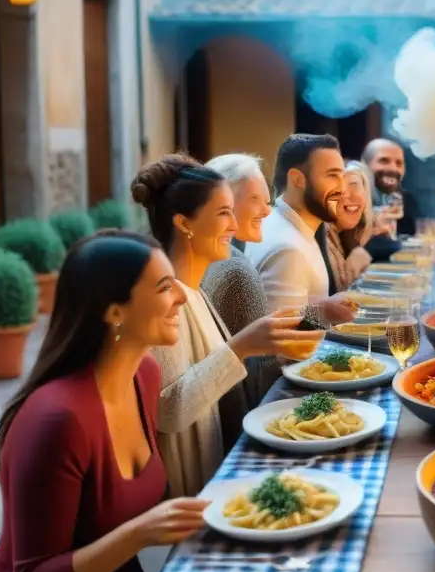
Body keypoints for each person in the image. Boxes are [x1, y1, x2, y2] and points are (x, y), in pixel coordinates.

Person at [0, 232, 210, 572]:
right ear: (114, 312)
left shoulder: (143, 374)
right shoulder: (58, 421)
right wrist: (141, 533)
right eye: (164, 286)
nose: (181, 295)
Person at [132, 153, 326, 496]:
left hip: (214, 471)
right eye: (224, 214)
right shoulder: (163, 297)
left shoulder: (194, 289)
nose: (234, 226)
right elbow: (168, 412)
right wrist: (244, 346)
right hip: (183, 493)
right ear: (184, 223)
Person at [201, 152, 278, 447]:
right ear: (225, 200)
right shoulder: (236, 268)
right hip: (244, 431)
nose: (267, 211)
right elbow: (263, 375)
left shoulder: (218, 257)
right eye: (257, 199)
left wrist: (320, 313)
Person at [245, 134, 359, 320]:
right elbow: (283, 339)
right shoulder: (288, 251)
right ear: (298, 179)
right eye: (332, 176)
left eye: (342, 177)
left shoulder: (289, 224)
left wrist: (326, 309)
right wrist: (326, 315)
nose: (343, 189)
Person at [321, 160, 375, 293]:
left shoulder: (343, 237)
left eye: (353, 185)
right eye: (338, 188)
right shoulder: (321, 238)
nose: (346, 195)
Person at [362, 138, 419, 262]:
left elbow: (409, 243)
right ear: (365, 165)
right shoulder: (349, 201)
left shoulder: (407, 201)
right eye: (384, 161)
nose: (393, 169)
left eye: (399, 163)